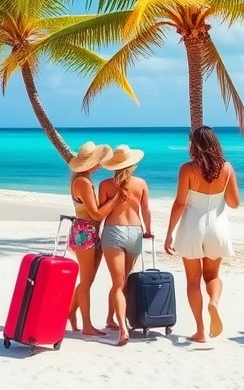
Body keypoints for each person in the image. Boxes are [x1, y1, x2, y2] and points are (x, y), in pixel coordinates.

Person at [164, 125, 241, 342]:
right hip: (217, 227)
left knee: (193, 280)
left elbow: (179, 204)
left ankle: (199, 330)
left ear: (194, 146)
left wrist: (169, 233)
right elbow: (234, 203)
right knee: (213, 276)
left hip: (191, 227)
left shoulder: (187, 169)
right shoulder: (227, 168)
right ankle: (213, 303)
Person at [65, 141, 121, 336]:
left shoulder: (82, 180)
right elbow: (96, 214)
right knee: (86, 281)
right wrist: (115, 200)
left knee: (87, 279)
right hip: (85, 231)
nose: (99, 164)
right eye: (97, 161)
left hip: (87, 231)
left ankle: (70, 312)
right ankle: (87, 325)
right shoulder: (83, 182)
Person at [98, 144, 152, 346]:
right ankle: (111, 319)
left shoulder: (105, 185)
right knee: (123, 282)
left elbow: (101, 213)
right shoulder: (141, 184)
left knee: (117, 284)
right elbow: (146, 211)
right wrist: (148, 230)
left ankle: (121, 327)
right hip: (135, 232)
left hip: (114, 231)